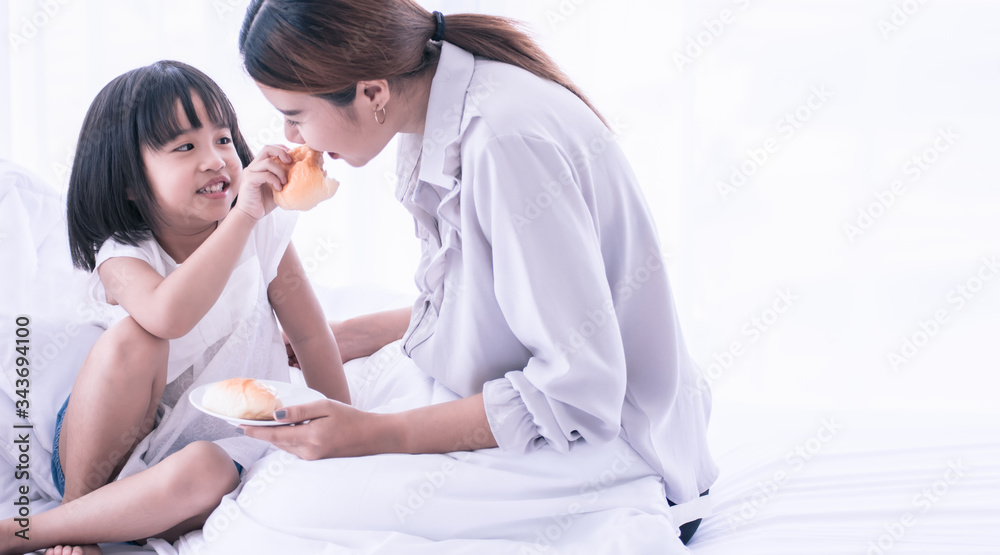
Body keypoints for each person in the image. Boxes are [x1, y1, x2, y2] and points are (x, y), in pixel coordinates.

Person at [237, 0, 718, 546]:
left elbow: (577, 390)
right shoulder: (438, 100)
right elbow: (498, 294)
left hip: (614, 441)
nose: (291, 138)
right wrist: (360, 334)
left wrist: (376, 434)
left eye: (295, 114)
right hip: (563, 402)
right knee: (281, 482)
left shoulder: (501, 141)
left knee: (287, 511)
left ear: (372, 92)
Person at [0, 60, 349, 555]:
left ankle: (73, 526)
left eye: (223, 139)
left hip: (196, 461)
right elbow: (168, 315)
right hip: (100, 457)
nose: (215, 160)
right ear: (127, 183)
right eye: (185, 147)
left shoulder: (264, 229)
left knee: (206, 466)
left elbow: (311, 335)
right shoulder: (123, 252)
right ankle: (72, 518)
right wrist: (243, 217)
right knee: (135, 337)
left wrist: (348, 424)